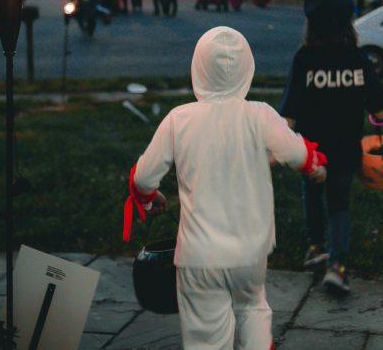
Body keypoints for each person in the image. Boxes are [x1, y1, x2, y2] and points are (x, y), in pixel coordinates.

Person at [126, 27, 328, 349]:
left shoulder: (179, 120)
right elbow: (296, 152)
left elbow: (143, 177)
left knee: (206, 333)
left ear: (198, 69)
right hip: (249, 252)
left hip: (199, 255)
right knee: (253, 308)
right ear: (247, 68)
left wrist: (150, 197)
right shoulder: (259, 115)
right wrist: (315, 167)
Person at [280, 0, 383, 294]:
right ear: (347, 25)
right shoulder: (357, 59)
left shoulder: (303, 60)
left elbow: (288, 115)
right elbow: (382, 109)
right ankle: (337, 267)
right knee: (339, 204)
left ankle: (315, 247)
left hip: (311, 151)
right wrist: (377, 119)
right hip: (345, 149)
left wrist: (282, 146)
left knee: (312, 194)